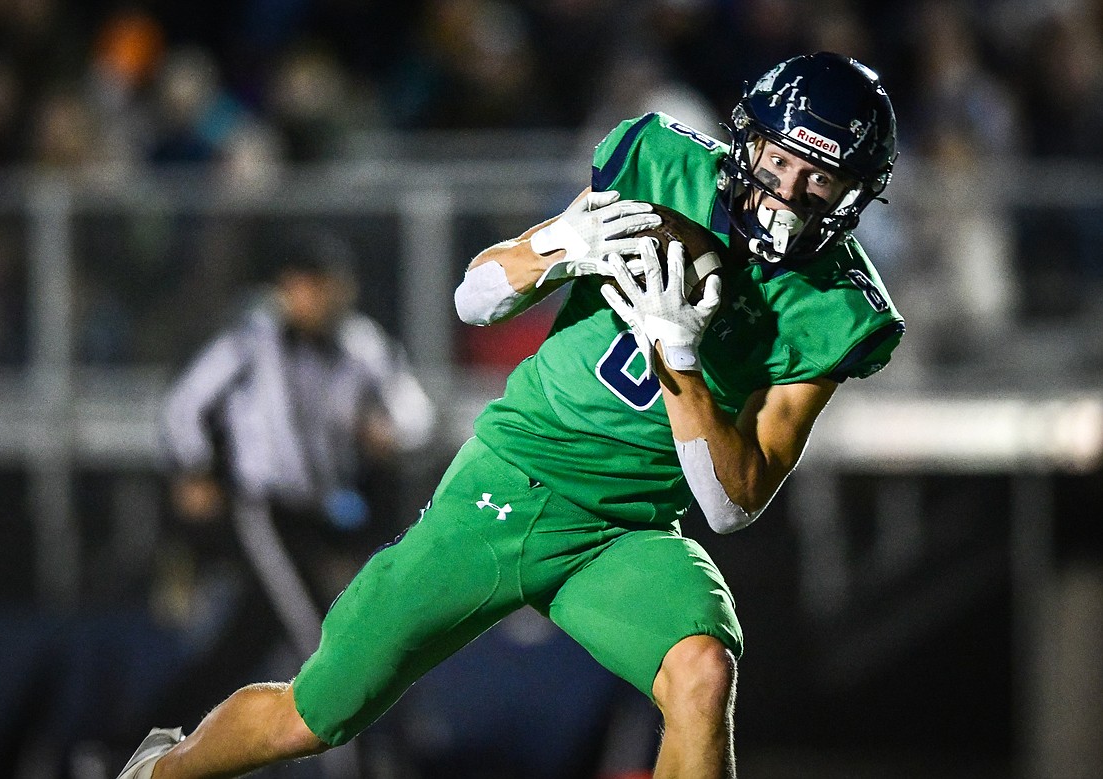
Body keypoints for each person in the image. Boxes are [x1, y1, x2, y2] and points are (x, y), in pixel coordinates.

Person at [119, 52, 903, 779]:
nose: (789, 192)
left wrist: (681, 357)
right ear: (747, 139)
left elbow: (731, 502)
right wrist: (565, 241)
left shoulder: (838, 309)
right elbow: (475, 297)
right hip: (507, 482)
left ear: (857, 194)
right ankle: (157, 771)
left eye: (820, 179)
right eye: (779, 160)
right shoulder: (659, 163)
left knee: (702, 671)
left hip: (624, 527)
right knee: (315, 714)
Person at [155, 227, 436, 692]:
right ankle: (356, 760)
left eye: (321, 283)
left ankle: (148, 742)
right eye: (300, 284)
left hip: (332, 511)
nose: (311, 296)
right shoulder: (251, 341)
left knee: (250, 642)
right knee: (321, 640)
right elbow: (184, 406)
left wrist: (390, 434)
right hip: (264, 509)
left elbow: (416, 414)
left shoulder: (361, 344)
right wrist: (194, 469)